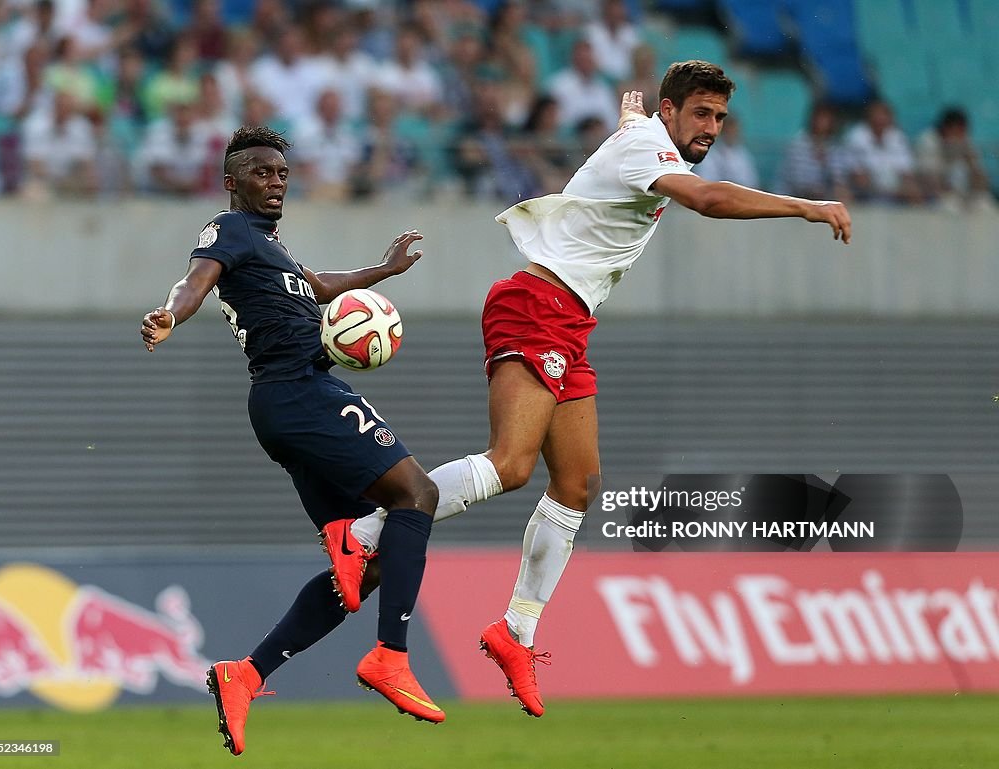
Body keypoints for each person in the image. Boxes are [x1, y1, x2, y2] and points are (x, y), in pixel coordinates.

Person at [335, 60, 851, 718]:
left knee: (578, 483)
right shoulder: (646, 147)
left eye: (721, 117)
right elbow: (708, 199)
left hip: (570, 320)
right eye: (701, 113)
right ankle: (369, 528)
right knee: (511, 465)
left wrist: (636, 117)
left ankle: (515, 631)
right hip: (536, 305)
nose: (713, 128)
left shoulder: (645, 137)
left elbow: (644, 142)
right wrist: (805, 205)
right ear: (671, 111)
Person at [139, 125, 444, 755]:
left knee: (369, 568)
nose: (275, 181)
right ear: (232, 181)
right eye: (260, 172)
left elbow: (316, 285)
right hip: (300, 390)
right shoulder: (229, 231)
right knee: (417, 492)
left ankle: (246, 674)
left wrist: (382, 270)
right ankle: (391, 656)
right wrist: (172, 314)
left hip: (288, 403)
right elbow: (194, 280)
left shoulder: (269, 249)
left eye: (281, 172)